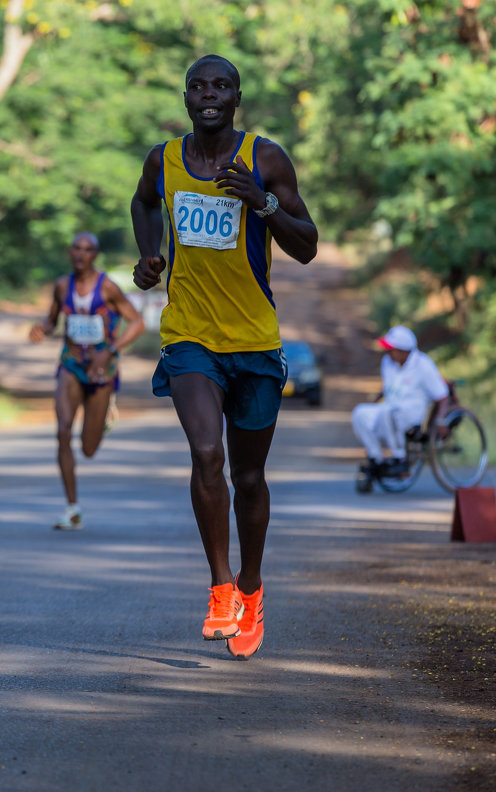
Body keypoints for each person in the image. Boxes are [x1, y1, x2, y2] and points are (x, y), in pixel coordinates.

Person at [129, 54, 318, 659]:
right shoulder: (164, 159)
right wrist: (150, 255)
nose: (208, 93)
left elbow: (308, 246)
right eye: (198, 85)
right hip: (190, 334)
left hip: (256, 341)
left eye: (221, 85)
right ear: (186, 97)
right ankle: (220, 588)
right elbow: (143, 203)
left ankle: (253, 589)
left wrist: (260, 202)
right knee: (206, 452)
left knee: (250, 476)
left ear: (237, 97)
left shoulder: (264, 159)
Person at [29, 232, 145, 530]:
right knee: (63, 431)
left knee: (89, 448)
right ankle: (72, 508)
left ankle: (104, 413)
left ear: (95, 255)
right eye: (76, 249)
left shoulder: (107, 288)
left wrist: (111, 351)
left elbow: (137, 322)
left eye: (88, 249)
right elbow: (52, 321)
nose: (81, 254)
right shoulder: (61, 286)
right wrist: (41, 330)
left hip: (101, 370)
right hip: (70, 365)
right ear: (70, 253)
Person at [351, 325, 448, 476]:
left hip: (412, 414)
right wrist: (375, 400)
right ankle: (375, 456)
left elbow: (442, 396)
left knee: (387, 411)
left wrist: (441, 420)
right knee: (360, 413)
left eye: (391, 349)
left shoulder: (423, 365)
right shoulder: (388, 363)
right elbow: (388, 387)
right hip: (389, 409)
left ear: (403, 351)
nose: (388, 352)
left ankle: (400, 458)